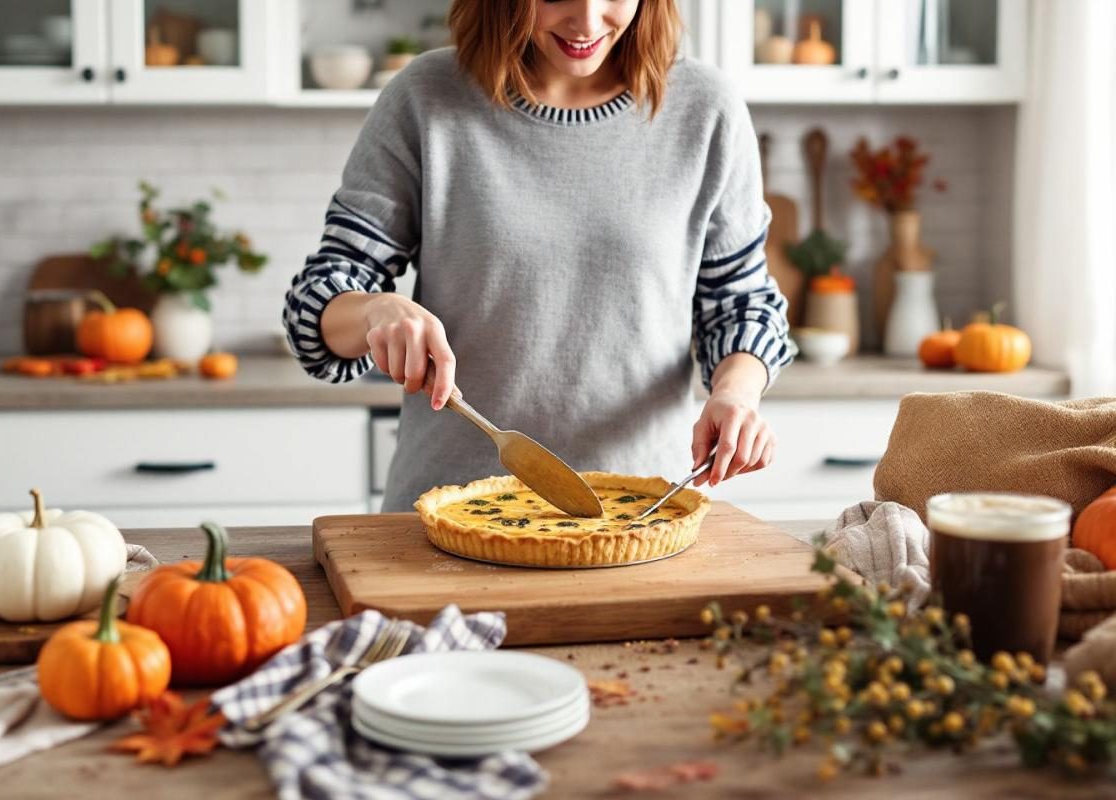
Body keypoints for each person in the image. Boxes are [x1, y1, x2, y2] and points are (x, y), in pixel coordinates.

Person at [284, 0, 792, 513]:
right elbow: (319, 301)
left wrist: (735, 394)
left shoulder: (706, 110)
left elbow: (741, 303)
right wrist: (375, 310)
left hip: (639, 517)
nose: (588, 21)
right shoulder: (425, 98)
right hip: (443, 515)